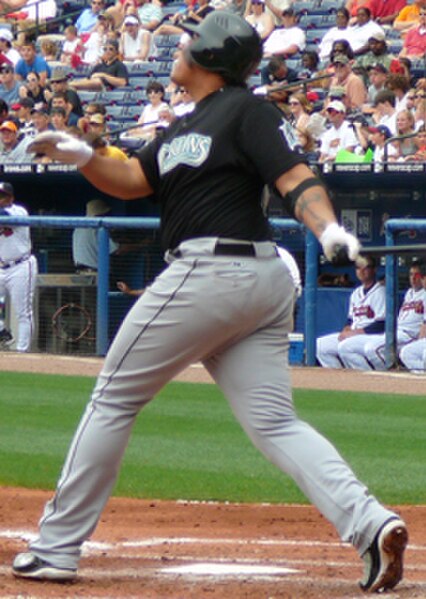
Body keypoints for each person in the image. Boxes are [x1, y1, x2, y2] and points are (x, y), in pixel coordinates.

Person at [15, 11, 408, 594]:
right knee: (274, 422)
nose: (179, 49)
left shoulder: (247, 110)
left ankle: (55, 547)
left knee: (113, 397)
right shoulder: (182, 127)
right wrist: (80, 154)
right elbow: (129, 180)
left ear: (211, 57)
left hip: (217, 268)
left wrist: (326, 227)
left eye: (190, 43)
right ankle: (371, 525)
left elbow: (296, 178)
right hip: (245, 284)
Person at [316, 256, 386, 369]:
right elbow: (350, 319)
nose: (361, 271)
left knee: (345, 347)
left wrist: (355, 333)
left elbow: (382, 324)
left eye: (365, 268)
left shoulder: (381, 292)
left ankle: (367, 379)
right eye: (358, 268)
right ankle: (340, 379)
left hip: (371, 336)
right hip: (355, 334)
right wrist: (347, 329)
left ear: (374, 270)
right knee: (319, 346)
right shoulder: (356, 293)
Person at [364, 263, 426, 370]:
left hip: (409, 335)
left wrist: (419, 341)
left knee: (373, 349)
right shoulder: (409, 293)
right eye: (411, 274)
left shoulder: (424, 294)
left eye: (417, 275)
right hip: (398, 331)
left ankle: (392, 378)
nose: (414, 278)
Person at [0, 181, 37, 352]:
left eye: (2, 196)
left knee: (23, 312)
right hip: (1, 266)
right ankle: (2, 331)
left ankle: (22, 353)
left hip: (20, 265)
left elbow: (4, 216)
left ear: (11, 198)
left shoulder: (19, 211)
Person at [72, 199, 120, 273]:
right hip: (94, 273)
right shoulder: (97, 228)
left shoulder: (78, 227)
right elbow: (116, 250)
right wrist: (140, 244)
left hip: (80, 272)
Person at [399, 271, 426, 371]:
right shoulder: (409, 294)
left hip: (410, 334)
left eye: (421, 277)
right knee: (407, 352)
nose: (423, 280)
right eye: (422, 277)